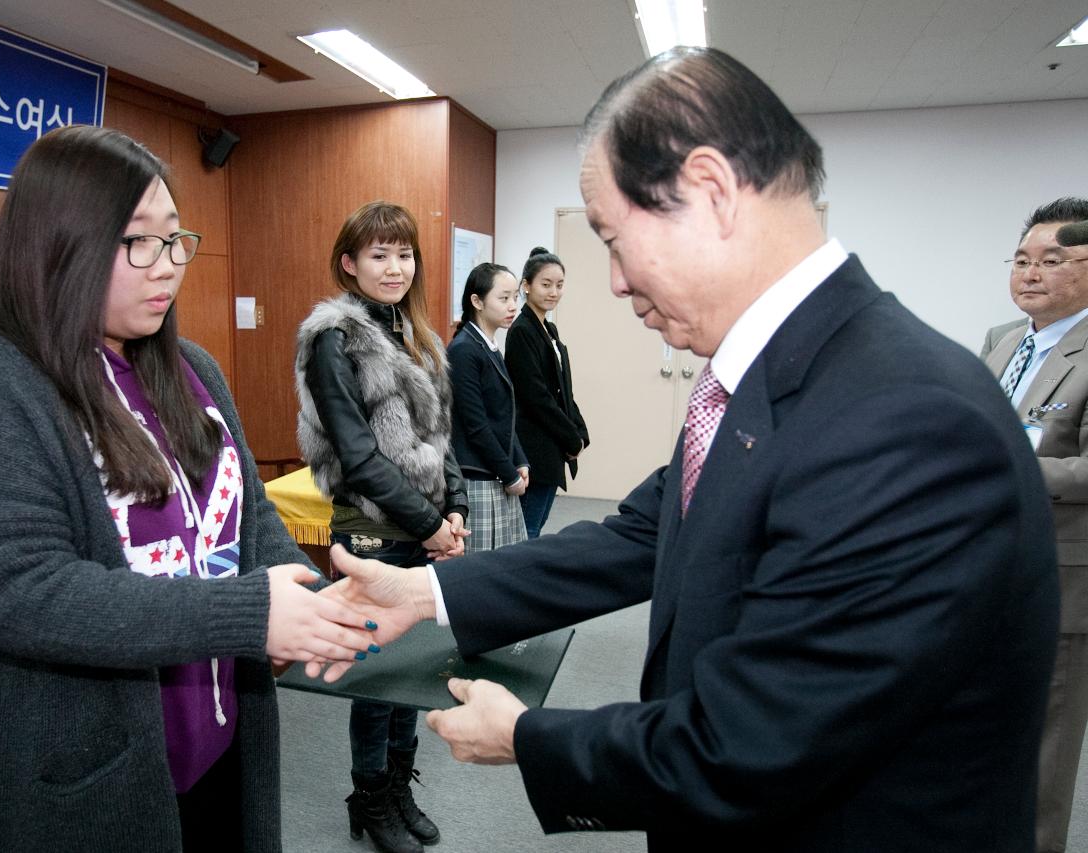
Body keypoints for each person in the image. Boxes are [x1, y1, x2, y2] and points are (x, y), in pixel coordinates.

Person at [319, 47, 1060, 852]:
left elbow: (754, 744)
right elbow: (638, 535)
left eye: (613, 237)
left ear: (709, 192)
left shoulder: (906, 419)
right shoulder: (776, 376)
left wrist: (531, 739)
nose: (612, 282)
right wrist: (426, 591)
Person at [0, 125, 380, 853]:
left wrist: (301, 594)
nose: (167, 267)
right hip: (79, 775)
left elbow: (246, 508)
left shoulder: (188, 366)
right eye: (138, 243)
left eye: (175, 240)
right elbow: (26, 592)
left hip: (218, 744)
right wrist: (249, 612)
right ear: (57, 245)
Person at [294, 201, 469, 853]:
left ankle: (397, 785)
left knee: (412, 670)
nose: (395, 267)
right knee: (376, 676)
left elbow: (440, 435)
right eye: (379, 254)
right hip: (370, 528)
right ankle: (369, 797)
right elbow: (360, 456)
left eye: (404, 253)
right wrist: (431, 525)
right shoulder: (333, 338)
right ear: (349, 263)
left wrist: (455, 509)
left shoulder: (415, 332)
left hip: (423, 526)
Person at [980, 196, 1088, 853]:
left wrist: (1012, 465)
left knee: (1045, 747)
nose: (1031, 272)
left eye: (1053, 259)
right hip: (986, 567)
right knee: (985, 729)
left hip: (1061, 578)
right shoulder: (1001, 340)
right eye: (1021, 259)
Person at [505, 247, 590, 539]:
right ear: (526, 286)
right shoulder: (522, 331)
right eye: (546, 284)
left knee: (534, 527)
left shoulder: (548, 328)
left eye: (559, 285)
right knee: (527, 530)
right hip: (535, 445)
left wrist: (579, 432)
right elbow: (536, 396)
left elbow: (562, 388)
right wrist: (570, 436)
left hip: (550, 445)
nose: (554, 291)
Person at [447, 262, 529, 552]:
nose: (512, 305)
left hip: (497, 472)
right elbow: (476, 424)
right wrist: (509, 473)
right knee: (481, 576)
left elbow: (504, 416)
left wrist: (520, 461)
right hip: (479, 478)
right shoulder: (464, 350)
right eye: (503, 298)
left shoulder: (488, 344)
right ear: (477, 301)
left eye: (515, 297)